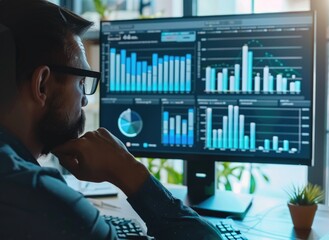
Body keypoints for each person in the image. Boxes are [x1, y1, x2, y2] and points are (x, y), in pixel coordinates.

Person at [0, 0, 222, 239]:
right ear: (42, 84)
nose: (84, 101)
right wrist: (128, 170)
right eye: (82, 82)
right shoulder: (43, 203)